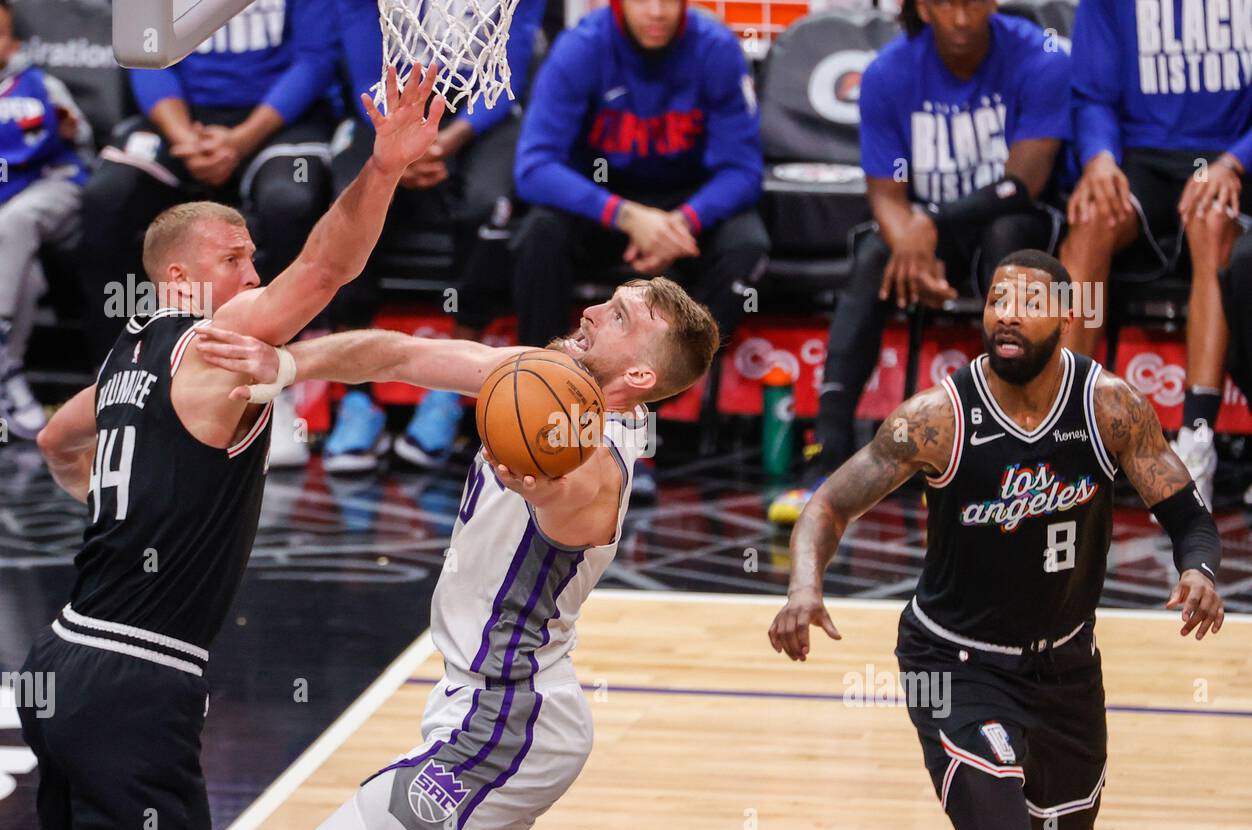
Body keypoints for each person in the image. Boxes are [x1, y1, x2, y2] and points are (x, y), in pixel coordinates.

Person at [16, 67, 443, 830]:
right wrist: (382, 168)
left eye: (255, 260)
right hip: (133, 681)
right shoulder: (207, 343)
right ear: (179, 280)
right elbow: (324, 271)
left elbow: (52, 440)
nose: (253, 277)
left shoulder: (123, 356)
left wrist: (118, 506)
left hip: (62, 661)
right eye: (235, 260)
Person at [192, 275, 719, 830]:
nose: (592, 309)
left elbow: (576, 493)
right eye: (607, 301)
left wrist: (547, 487)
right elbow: (401, 354)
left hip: (507, 718)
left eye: (619, 317)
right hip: (487, 707)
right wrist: (287, 365)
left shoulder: (603, 463)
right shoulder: (540, 379)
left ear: (641, 377)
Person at [769, 249, 1224, 830]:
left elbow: (1189, 517)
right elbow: (826, 508)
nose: (1008, 316)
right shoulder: (937, 419)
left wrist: (1198, 569)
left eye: (1030, 304)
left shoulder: (1109, 408)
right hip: (953, 662)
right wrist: (803, 589)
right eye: (997, 301)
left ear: (1066, 317)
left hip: (1066, 667)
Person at [768, 0, 1071, 525]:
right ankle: (828, 459)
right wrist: (911, 238)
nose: (960, 19)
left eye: (971, 4)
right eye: (946, 5)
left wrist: (930, 220)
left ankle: (1007, 463)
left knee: (1011, 245)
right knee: (873, 256)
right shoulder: (889, 72)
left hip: (1009, 224)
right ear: (924, 7)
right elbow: (885, 193)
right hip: (927, 240)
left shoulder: (1038, 57)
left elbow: (1024, 181)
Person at [512, 0, 767, 495]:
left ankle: (645, 425)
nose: (656, 10)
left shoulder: (716, 48)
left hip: (685, 210)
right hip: (604, 203)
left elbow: (744, 170)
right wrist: (625, 216)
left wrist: (680, 224)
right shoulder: (581, 48)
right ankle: (544, 407)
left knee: (747, 243)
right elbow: (533, 166)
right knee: (537, 235)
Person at [318, 0, 546, 475]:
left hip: (479, 111)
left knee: (490, 206)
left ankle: (448, 392)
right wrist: (398, 145)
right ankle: (358, 399)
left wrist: (442, 142)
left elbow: (510, 79)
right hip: (389, 107)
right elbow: (364, 68)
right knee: (349, 200)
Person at [1059, 0, 1252, 509]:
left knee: (1212, 220)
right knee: (1091, 221)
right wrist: (1098, 159)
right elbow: (1091, 95)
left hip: (1226, 157)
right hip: (1139, 157)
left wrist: (1235, 161)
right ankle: (1065, 426)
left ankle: (1196, 440)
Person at [79, 0, 338, 367]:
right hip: (181, 117)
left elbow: (314, 61)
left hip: (277, 118)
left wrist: (240, 140)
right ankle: (118, 368)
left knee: (289, 202)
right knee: (107, 198)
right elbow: (145, 51)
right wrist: (184, 137)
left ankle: (287, 369)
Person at [0, 0, 89, 438]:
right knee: (22, 275)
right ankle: (8, 370)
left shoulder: (37, 83)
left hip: (51, 192)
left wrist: (70, 126)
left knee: (16, 224)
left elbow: (81, 134)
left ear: (12, 44)